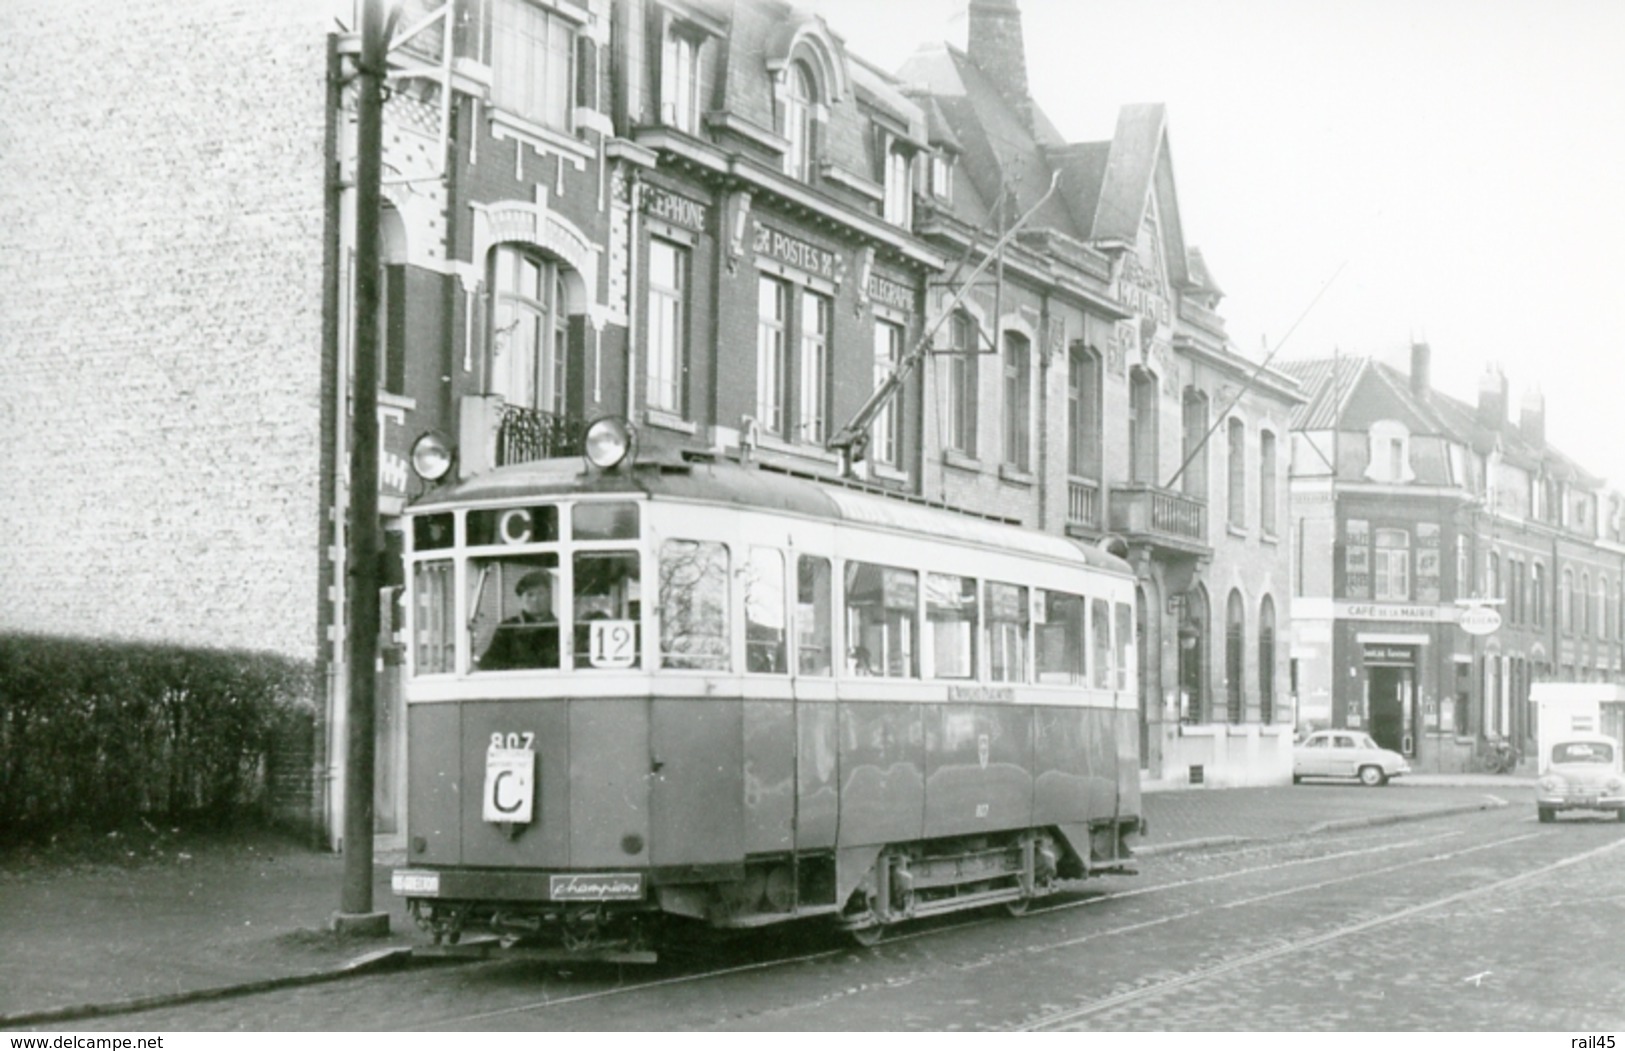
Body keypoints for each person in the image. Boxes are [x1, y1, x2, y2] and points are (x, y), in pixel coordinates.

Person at [478, 569, 560, 670]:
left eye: (541, 593)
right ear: (521, 599)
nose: (536, 599)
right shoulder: (508, 629)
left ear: (550, 596)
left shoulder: (561, 627)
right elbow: (489, 663)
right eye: (530, 595)